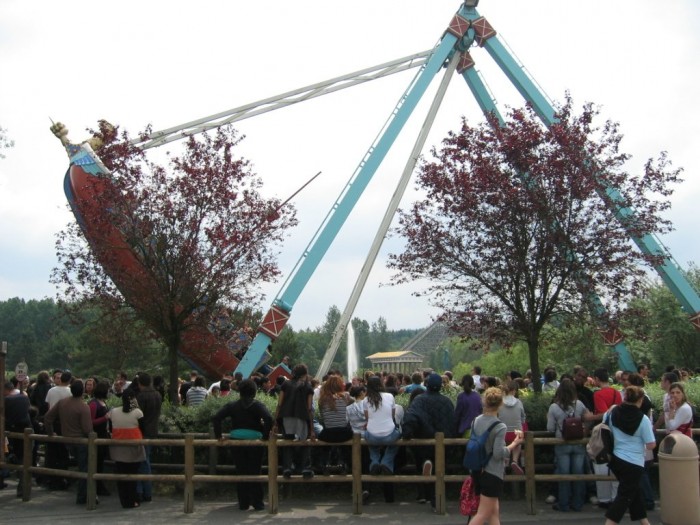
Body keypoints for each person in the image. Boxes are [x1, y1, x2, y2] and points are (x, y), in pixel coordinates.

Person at [213, 378, 273, 511]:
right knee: (255, 471)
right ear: (254, 391)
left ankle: (243, 503)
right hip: (255, 442)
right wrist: (264, 436)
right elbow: (269, 418)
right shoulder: (258, 405)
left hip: (236, 441)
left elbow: (216, 418)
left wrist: (219, 436)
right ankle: (258, 503)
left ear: (239, 391)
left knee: (241, 471)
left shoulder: (232, 405)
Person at [468, 387, 524, 525]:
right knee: (483, 514)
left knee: (493, 512)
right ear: (500, 404)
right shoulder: (499, 426)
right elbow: (499, 453)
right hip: (493, 472)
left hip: (477, 469)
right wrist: (514, 443)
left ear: (484, 401)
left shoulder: (475, 421)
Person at [401, 373, 456, 509]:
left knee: (423, 465)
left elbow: (410, 417)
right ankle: (438, 500)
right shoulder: (447, 401)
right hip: (444, 444)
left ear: (427, 384)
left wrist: (406, 434)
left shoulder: (419, 400)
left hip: (424, 442)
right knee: (440, 470)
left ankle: (426, 493)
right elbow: (453, 422)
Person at [604, 386, 656, 525]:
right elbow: (651, 444)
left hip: (616, 459)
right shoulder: (643, 419)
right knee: (625, 496)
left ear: (624, 397)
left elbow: (605, 423)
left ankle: (645, 522)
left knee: (633, 492)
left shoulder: (612, 412)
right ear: (640, 400)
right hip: (634, 462)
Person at [44, 380, 93, 504]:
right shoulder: (83, 407)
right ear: (82, 391)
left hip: (66, 438)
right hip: (81, 440)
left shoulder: (62, 403)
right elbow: (88, 429)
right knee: (85, 469)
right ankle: (83, 496)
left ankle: (83, 494)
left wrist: (50, 432)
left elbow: (48, 418)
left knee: (81, 467)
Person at [546, 378, 590, 512]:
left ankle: (564, 503)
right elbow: (589, 420)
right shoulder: (580, 404)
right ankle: (578, 503)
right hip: (578, 442)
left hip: (562, 442)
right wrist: (584, 431)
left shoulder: (554, 407)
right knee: (579, 473)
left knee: (563, 474)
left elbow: (550, 428)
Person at [272, 363, 315, 479]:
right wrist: (312, 429)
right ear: (305, 374)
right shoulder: (308, 386)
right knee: (304, 442)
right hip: (301, 416)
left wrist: (275, 422)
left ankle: (287, 467)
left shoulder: (285, 384)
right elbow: (309, 408)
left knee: (288, 441)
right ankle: (305, 467)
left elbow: (279, 404)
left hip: (286, 417)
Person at [592, 367, 622, 508]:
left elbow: (604, 414)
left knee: (602, 464)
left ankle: (604, 498)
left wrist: (589, 417)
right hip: (617, 431)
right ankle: (615, 496)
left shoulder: (598, 395)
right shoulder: (617, 393)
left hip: (604, 432)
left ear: (597, 379)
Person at [109, 390, 145, 508]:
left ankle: (124, 501)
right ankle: (133, 500)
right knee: (132, 476)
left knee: (121, 477)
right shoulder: (138, 413)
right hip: (134, 448)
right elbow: (143, 429)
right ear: (133, 399)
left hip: (118, 448)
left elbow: (110, 428)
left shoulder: (113, 412)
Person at [364, 375, 400, 475]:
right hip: (389, 435)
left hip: (372, 436)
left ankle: (375, 462)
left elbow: (367, 418)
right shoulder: (390, 396)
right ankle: (386, 462)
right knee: (397, 439)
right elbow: (392, 416)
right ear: (381, 384)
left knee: (371, 444)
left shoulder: (365, 400)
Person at [317, 375, 353, 473]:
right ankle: (345, 463)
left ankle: (324, 464)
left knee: (322, 441)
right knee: (346, 443)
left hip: (328, 434)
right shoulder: (346, 396)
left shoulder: (322, 400)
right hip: (344, 434)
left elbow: (323, 418)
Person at [136, 372, 162, 503]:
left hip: (143, 431)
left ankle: (144, 491)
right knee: (146, 460)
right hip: (153, 430)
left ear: (140, 383)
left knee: (142, 461)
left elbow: (138, 415)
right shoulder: (157, 394)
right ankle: (145, 491)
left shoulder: (141, 396)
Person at [4, 380, 32, 497]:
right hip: (27, 430)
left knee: (17, 458)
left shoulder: (6, 400)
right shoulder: (24, 397)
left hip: (12, 432)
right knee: (25, 460)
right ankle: (23, 488)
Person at [88, 380, 111, 496]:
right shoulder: (93, 404)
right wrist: (105, 418)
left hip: (104, 434)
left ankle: (100, 484)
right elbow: (91, 422)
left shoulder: (103, 402)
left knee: (101, 461)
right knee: (96, 462)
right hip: (96, 435)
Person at [498, 380, 526, 475]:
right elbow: (523, 417)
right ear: (514, 390)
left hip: (503, 432)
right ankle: (514, 460)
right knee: (517, 444)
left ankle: (505, 464)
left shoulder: (500, 402)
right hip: (517, 432)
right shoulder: (518, 402)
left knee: (504, 445)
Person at [454, 374, 482, 439]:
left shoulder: (461, 396)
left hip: (465, 429)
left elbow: (457, 414)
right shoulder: (477, 396)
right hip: (477, 429)